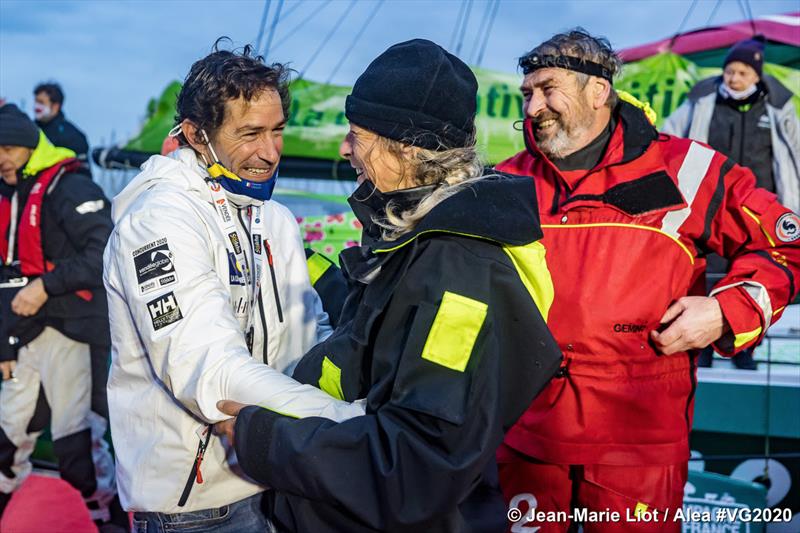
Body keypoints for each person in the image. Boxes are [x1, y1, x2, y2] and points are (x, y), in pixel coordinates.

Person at [214, 38, 563, 533]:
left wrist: (263, 439)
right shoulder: (419, 240)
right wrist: (291, 263)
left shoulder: (461, 273)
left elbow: (418, 464)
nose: (345, 148)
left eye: (357, 135)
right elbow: (379, 330)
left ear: (407, 147)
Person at [494, 29, 800, 532]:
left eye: (548, 89)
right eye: (527, 93)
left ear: (598, 91)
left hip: (637, 444)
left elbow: (786, 244)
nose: (533, 108)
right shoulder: (505, 182)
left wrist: (727, 310)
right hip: (525, 438)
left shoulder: (688, 171)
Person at [103, 42, 364, 531]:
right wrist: (353, 425)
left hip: (279, 476)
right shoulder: (158, 221)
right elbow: (209, 371)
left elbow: (312, 337)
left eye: (278, 130)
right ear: (196, 135)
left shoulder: (276, 219)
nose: (270, 152)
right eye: (250, 134)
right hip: (196, 508)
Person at [0, 104, 126, 530]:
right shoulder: (8, 191)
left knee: (78, 438)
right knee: (7, 432)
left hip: (73, 329)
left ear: (28, 143)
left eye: (7, 146)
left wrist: (45, 287)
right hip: (22, 333)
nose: (0, 156)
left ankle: (105, 516)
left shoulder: (70, 187)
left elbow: (105, 253)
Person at [663, 37, 800, 369]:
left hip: (760, 210)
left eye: (741, 72)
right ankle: (704, 348)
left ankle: (745, 349)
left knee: (757, 271)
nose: (733, 78)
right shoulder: (701, 101)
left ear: (756, 75)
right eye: (729, 71)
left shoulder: (778, 107)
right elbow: (668, 134)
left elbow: (794, 153)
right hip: (708, 203)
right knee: (703, 273)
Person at [33, 82, 90, 162]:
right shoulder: (29, 129)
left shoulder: (73, 136)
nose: (36, 106)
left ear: (55, 106)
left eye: (41, 102)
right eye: (36, 102)